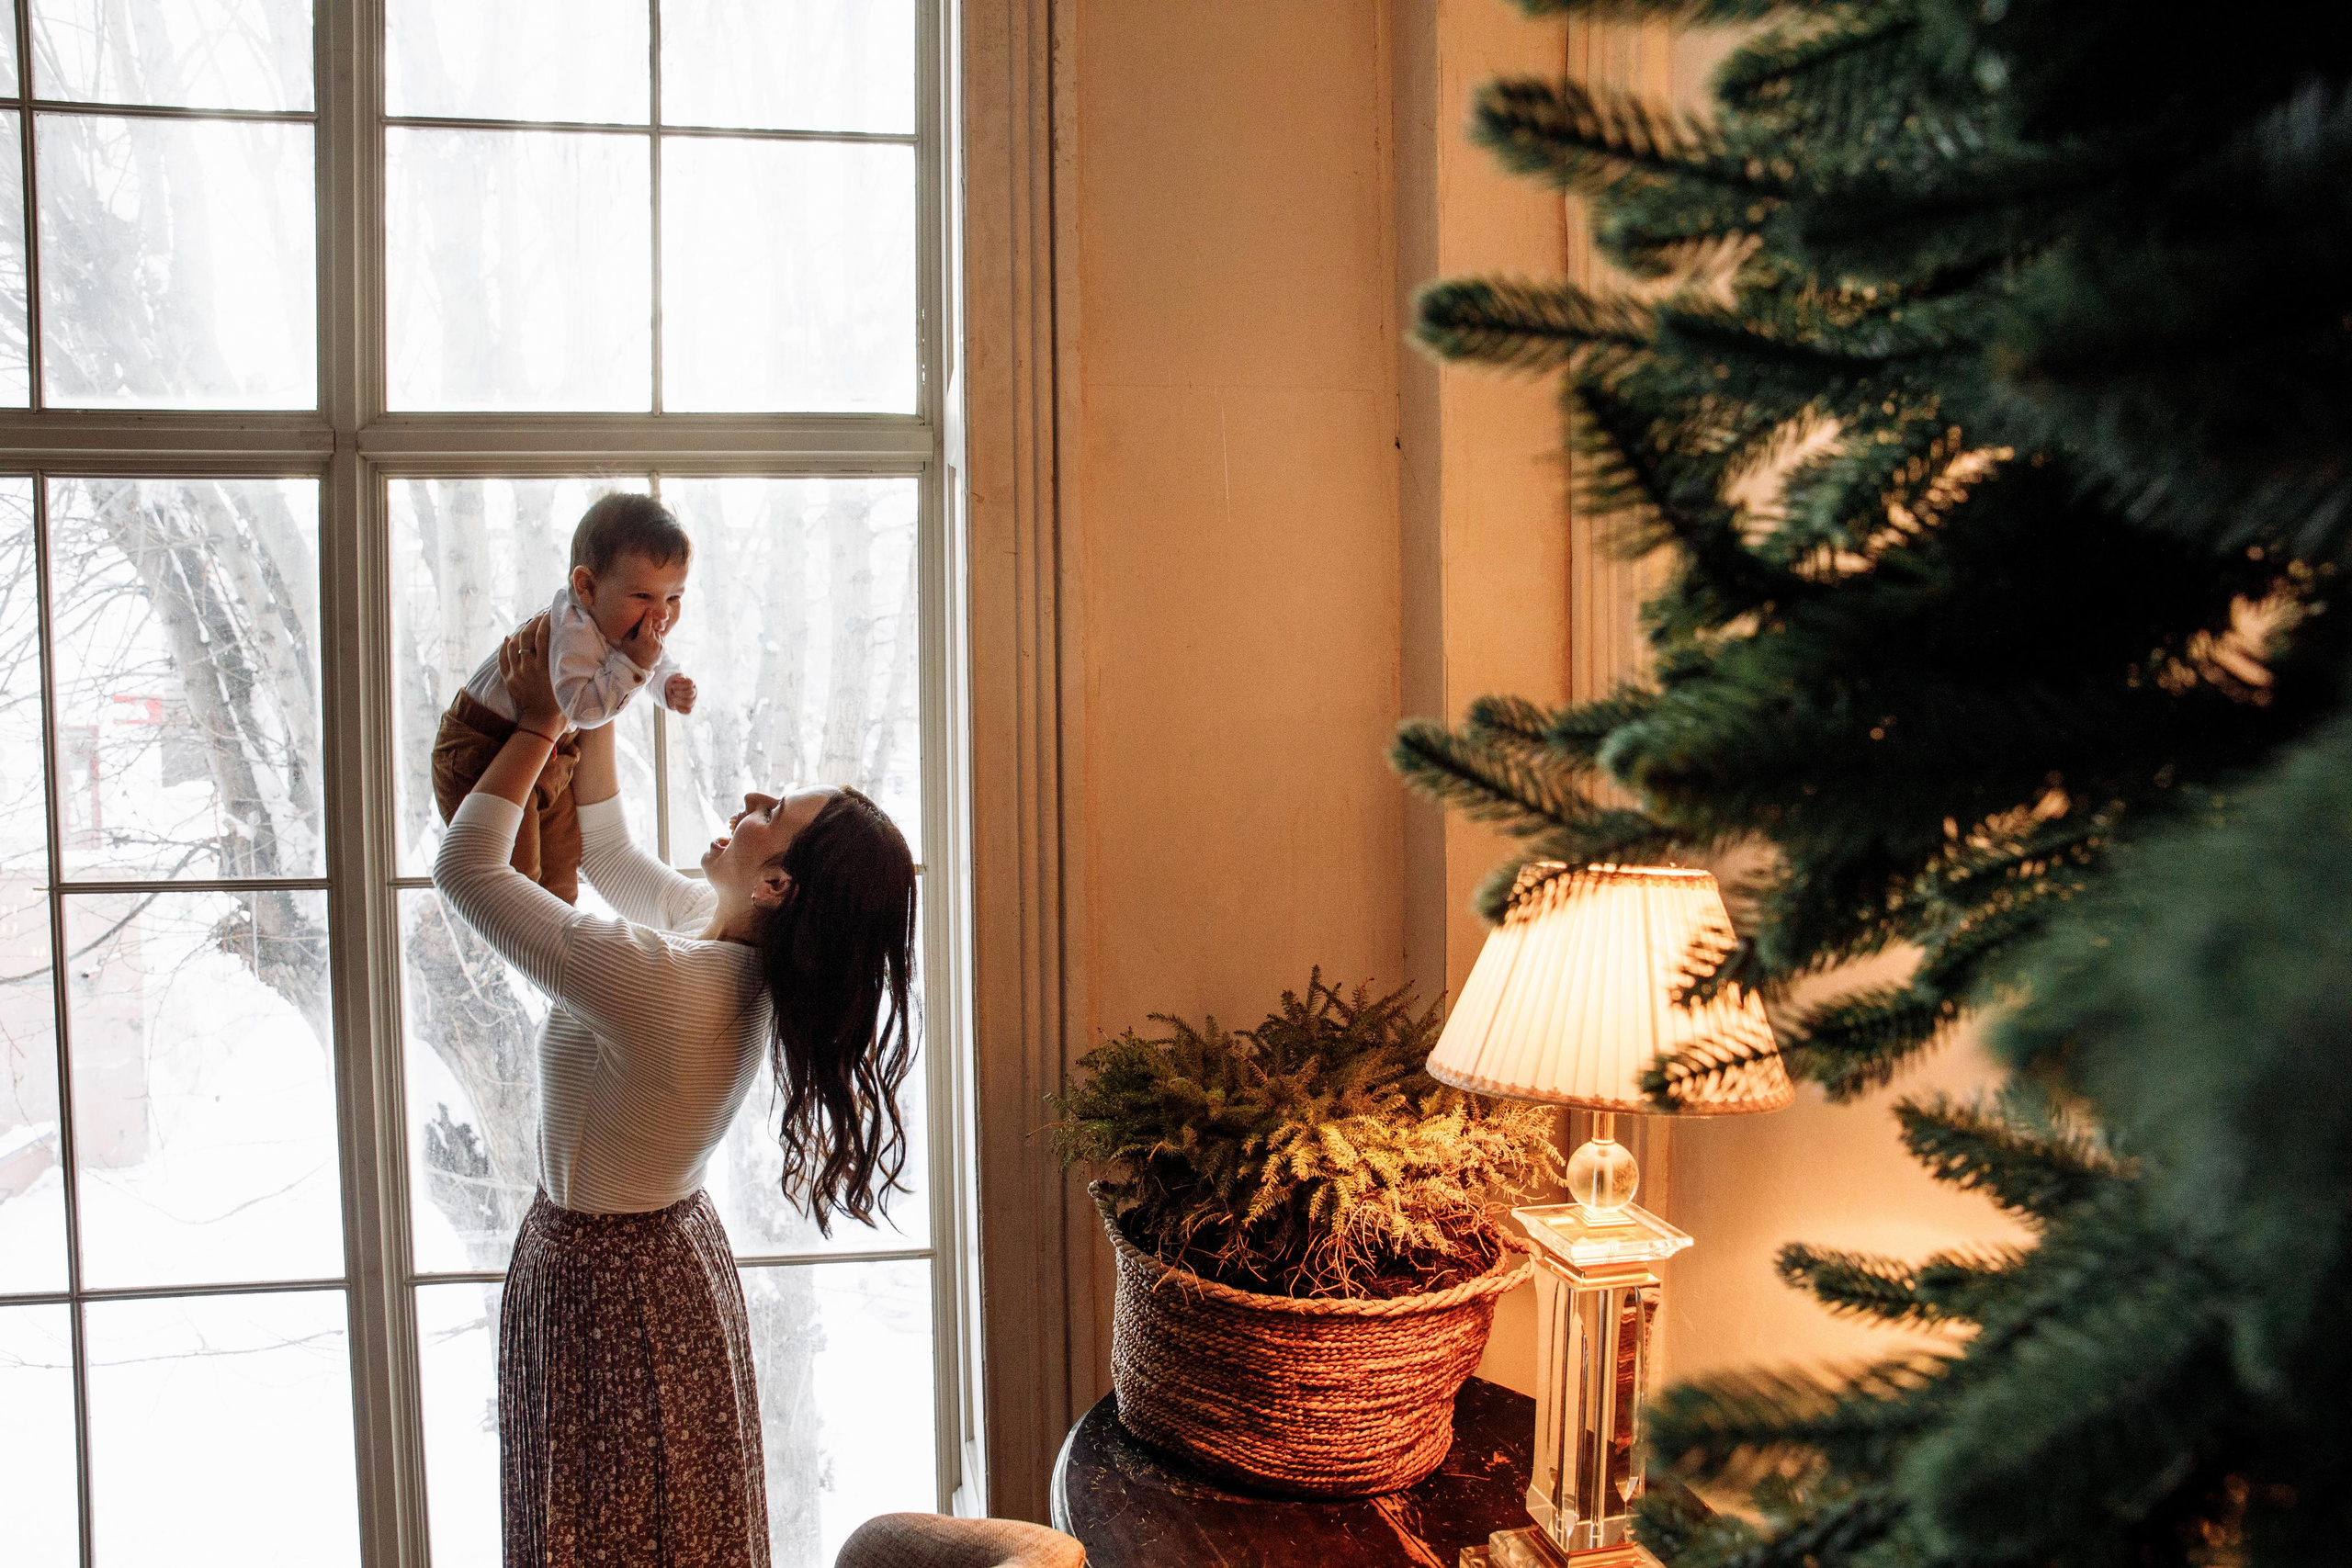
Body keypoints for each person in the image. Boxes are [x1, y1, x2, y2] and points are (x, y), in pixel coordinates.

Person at [434, 613, 918, 1568]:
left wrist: (537, 724)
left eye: (769, 810)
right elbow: (609, 853)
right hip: (642, 1268)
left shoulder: (667, 984)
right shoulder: (721, 947)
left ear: (776, 882)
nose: (748, 798)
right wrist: (601, 684)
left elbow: (465, 868)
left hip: (612, 1288)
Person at [432, 492, 701, 905]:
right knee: (515, 886)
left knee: (559, 883)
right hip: (482, 748)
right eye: (643, 597)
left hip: (550, 751)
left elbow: (648, 660)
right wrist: (635, 664)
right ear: (587, 587)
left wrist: (665, 685)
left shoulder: (616, 623)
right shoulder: (570, 631)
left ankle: (558, 946)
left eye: (674, 598)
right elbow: (578, 709)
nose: (660, 616)